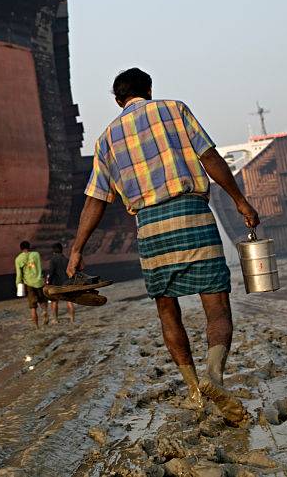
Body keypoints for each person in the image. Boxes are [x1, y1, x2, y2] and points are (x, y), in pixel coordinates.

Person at [67, 68, 259, 426]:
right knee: (216, 308)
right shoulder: (174, 109)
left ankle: (194, 392)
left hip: (150, 229)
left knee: (167, 312)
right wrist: (240, 201)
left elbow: (96, 200)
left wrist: (78, 247)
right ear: (149, 90)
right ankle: (214, 378)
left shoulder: (106, 139)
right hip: (192, 216)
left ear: (117, 99)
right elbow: (211, 159)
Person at [14, 240, 48, 327]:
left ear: (21, 248)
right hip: (39, 281)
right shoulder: (36, 254)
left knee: (33, 307)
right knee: (42, 300)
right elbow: (40, 266)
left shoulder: (18, 259)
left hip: (29, 283)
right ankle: (44, 312)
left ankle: (36, 326)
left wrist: (18, 284)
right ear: (29, 247)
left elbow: (19, 274)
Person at [45, 242, 76, 324]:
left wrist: (48, 283)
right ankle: (72, 320)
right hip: (67, 283)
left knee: (54, 301)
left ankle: (55, 319)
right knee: (69, 301)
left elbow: (51, 273)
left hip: (56, 284)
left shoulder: (52, 260)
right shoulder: (66, 259)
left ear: (53, 251)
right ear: (62, 250)